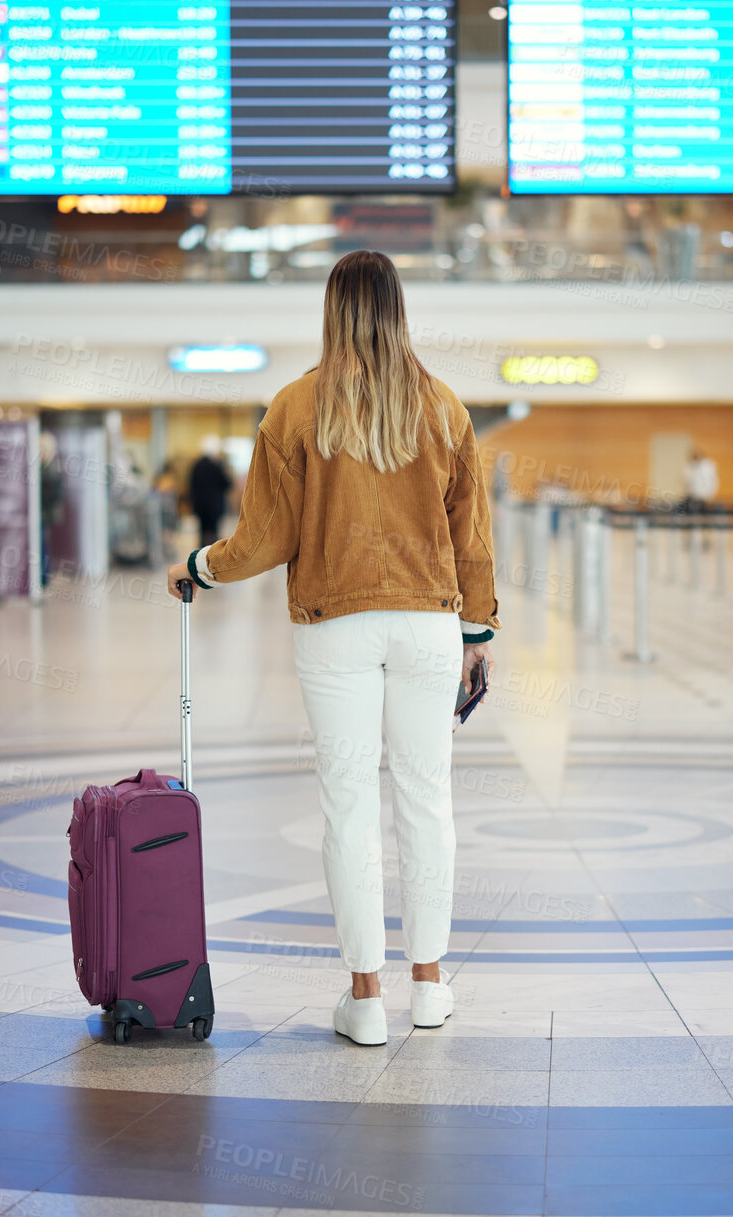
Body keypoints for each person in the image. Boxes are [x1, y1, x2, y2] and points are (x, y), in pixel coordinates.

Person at [166, 250, 499, 1047]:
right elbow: (472, 536)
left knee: (347, 805)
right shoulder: (444, 407)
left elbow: (265, 538)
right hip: (426, 622)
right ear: (398, 309)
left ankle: (365, 997)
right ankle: (428, 984)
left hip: (332, 623)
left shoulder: (293, 409)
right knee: (427, 800)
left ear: (331, 311)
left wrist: (197, 568)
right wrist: (476, 632)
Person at [187, 436, 233, 548]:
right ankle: (213, 557)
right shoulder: (217, 466)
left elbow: (191, 486)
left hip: (200, 506)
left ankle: (200, 555)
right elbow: (227, 483)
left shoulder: (196, 466)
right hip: (214, 507)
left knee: (202, 532)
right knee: (214, 533)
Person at [38, 431, 65, 586]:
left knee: (42, 546)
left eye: (43, 447)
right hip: (42, 514)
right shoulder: (42, 467)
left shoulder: (52, 469)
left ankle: (43, 579)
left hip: (44, 514)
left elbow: (52, 494)